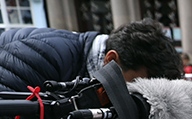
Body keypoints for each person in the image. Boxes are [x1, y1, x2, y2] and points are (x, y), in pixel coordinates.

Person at [0, 18, 182, 90]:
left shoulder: (90, 70)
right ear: (110, 60)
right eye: (135, 86)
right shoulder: (44, 55)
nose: (135, 96)